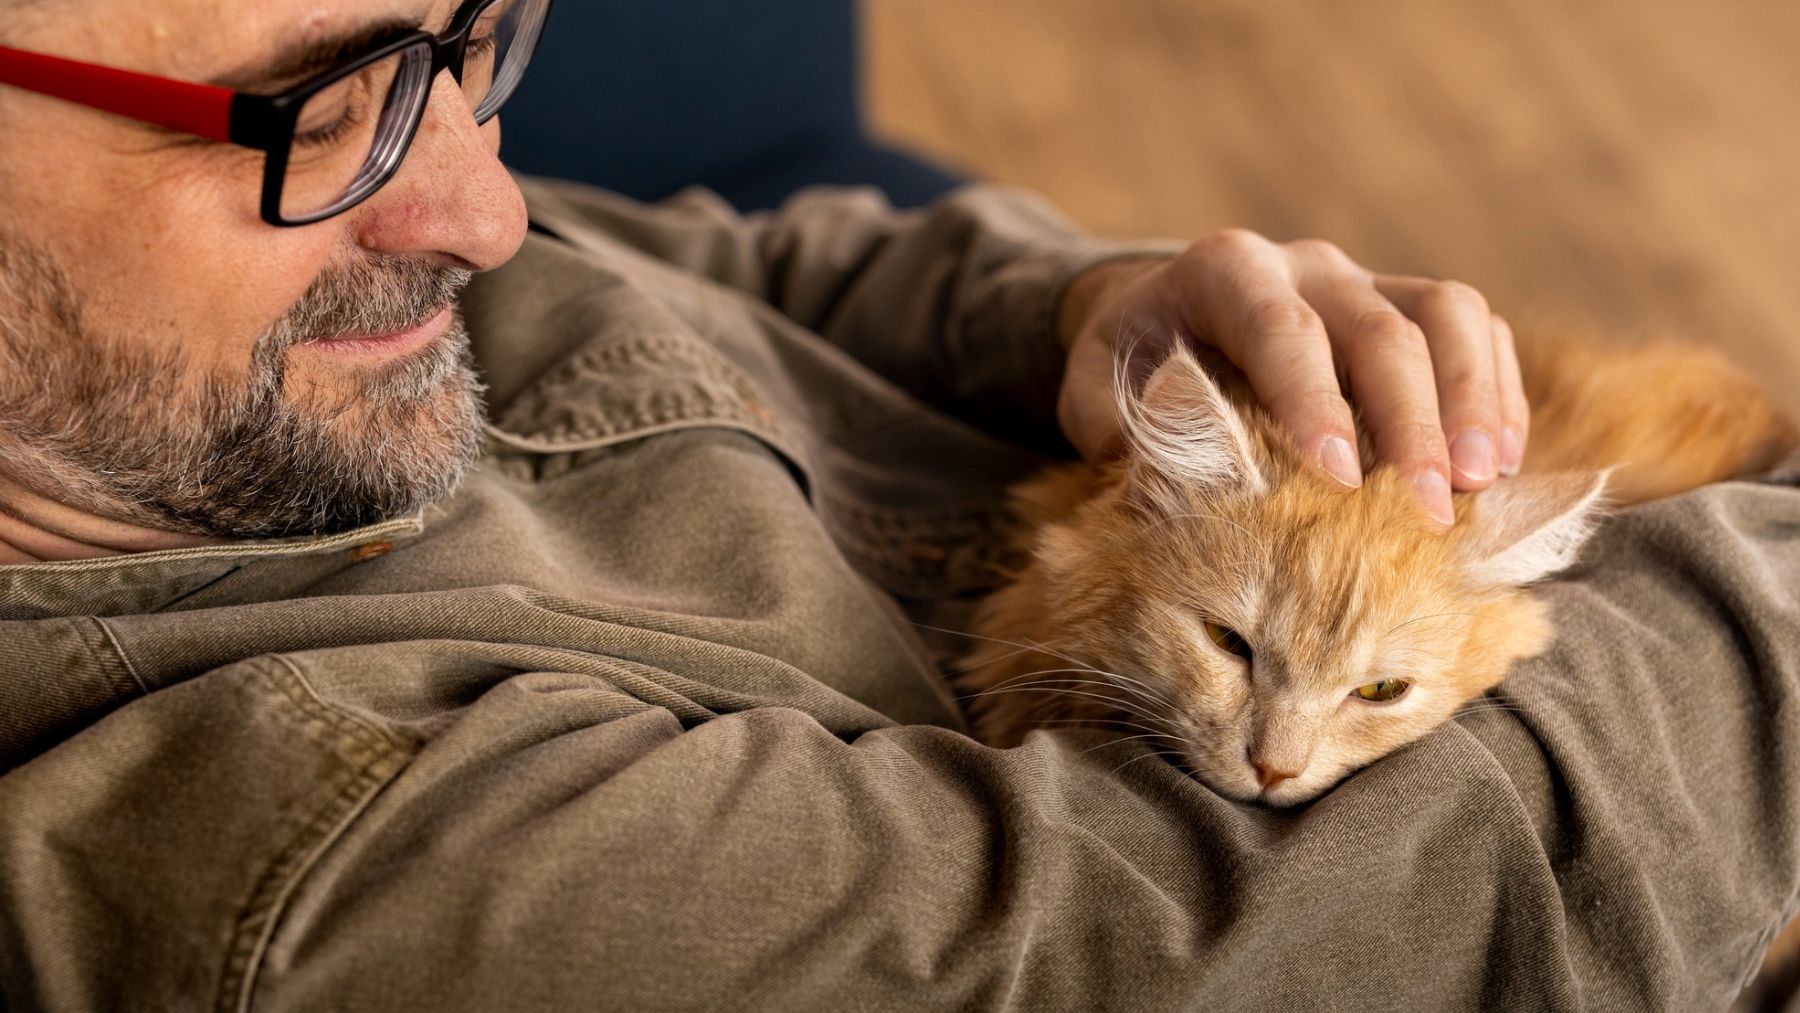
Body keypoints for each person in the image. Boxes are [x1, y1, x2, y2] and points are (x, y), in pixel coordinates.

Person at [0, 1, 1792, 1010]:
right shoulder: (331, 848)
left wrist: (1089, 316)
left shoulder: (185, 369)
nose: (486, 210)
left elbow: (714, 262)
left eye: (471, 39)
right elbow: (1350, 914)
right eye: (319, 110)